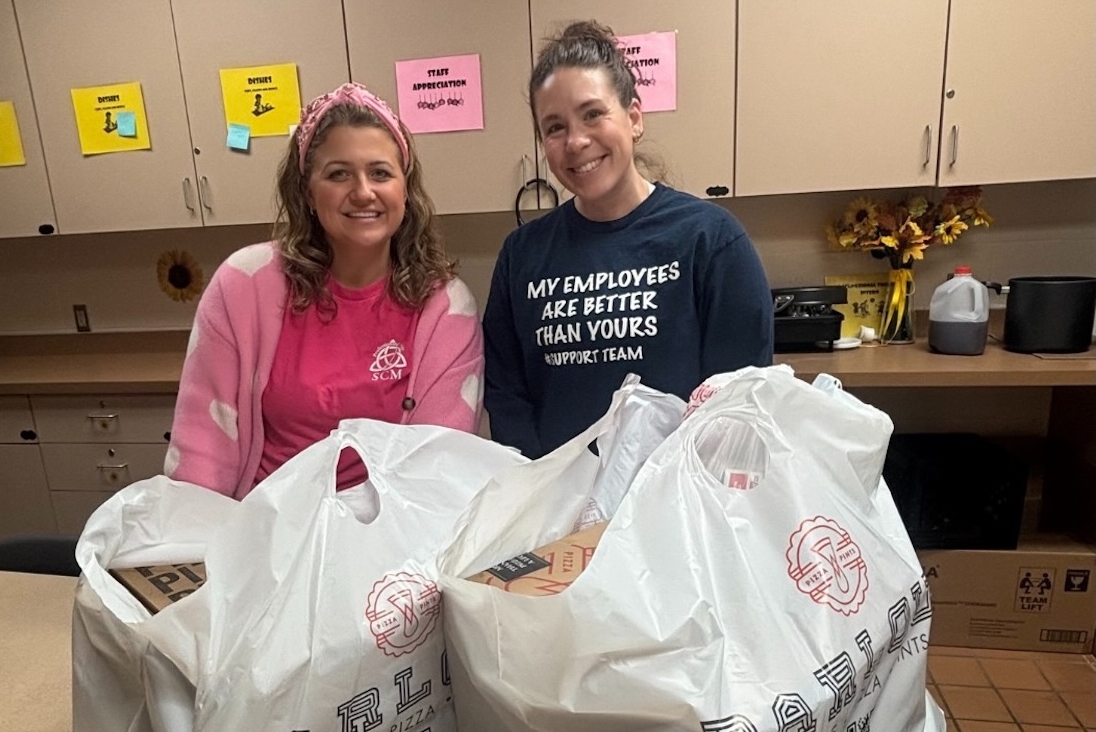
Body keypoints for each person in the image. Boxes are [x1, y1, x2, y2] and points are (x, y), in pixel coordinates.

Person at [165, 82, 483, 499]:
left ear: (405, 190)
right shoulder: (244, 287)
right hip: (264, 533)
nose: (364, 191)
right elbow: (201, 454)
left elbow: (438, 473)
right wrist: (200, 545)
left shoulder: (444, 307)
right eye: (339, 174)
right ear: (308, 194)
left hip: (388, 539)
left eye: (381, 173)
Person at [482, 21, 774, 459]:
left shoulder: (710, 240)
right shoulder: (522, 255)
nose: (576, 141)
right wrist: (549, 493)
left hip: (676, 507)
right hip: (559, 511)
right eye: (554, 127)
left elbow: (737, 405)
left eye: (593, 114)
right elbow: (506, 395)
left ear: (634, 118)